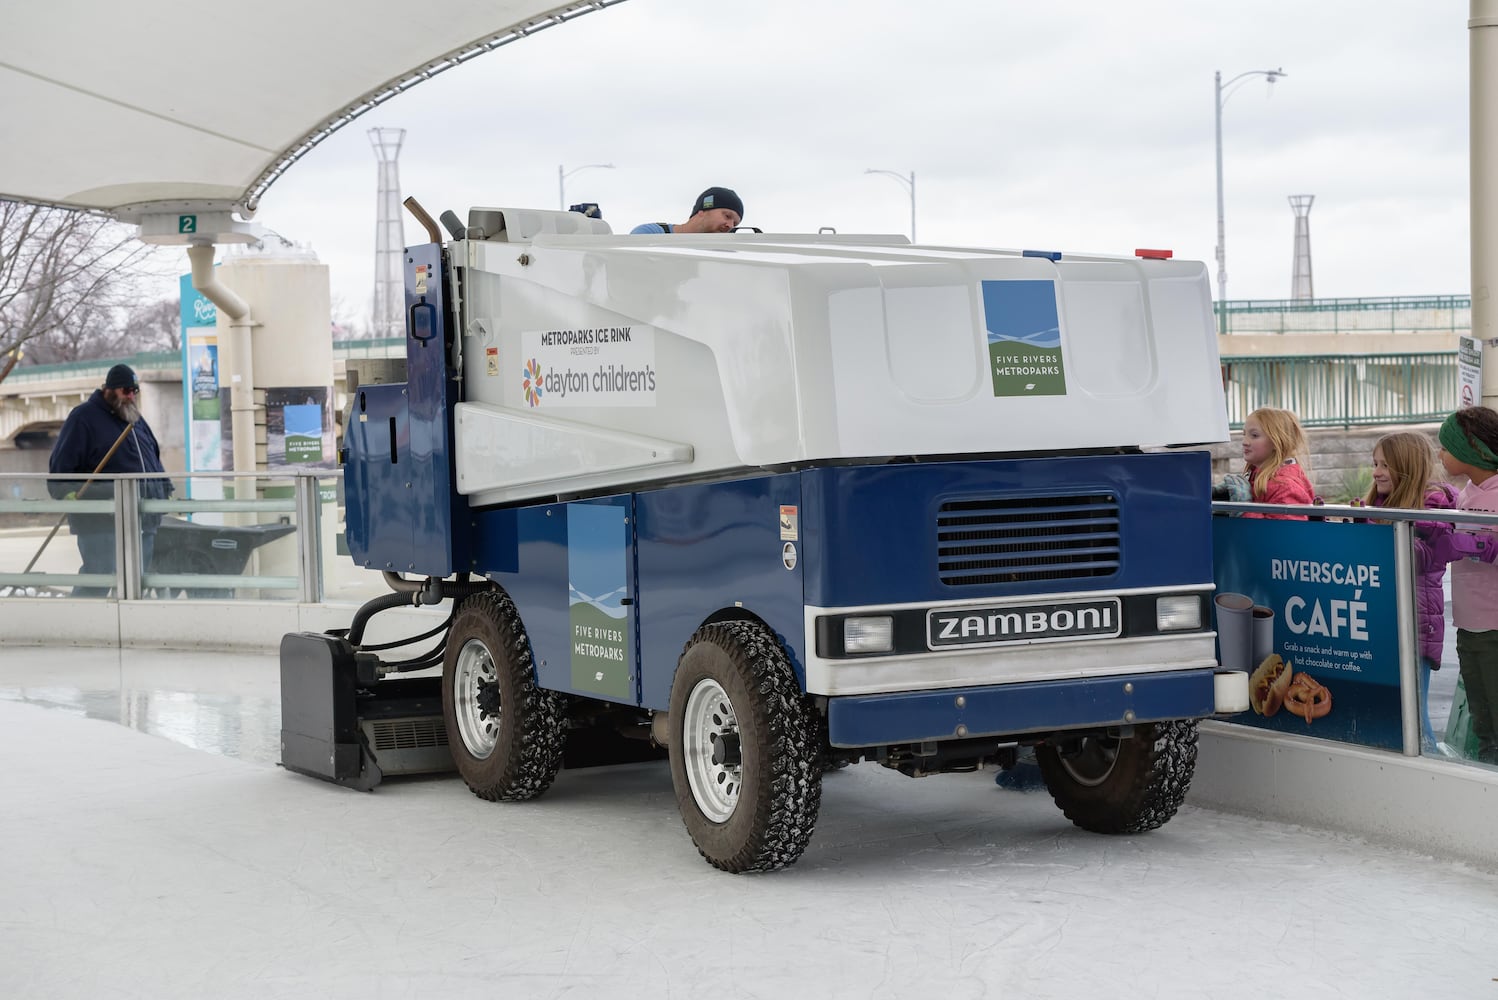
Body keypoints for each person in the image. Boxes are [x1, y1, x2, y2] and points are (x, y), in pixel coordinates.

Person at [1362, 431, 1460, 753]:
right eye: (1375, 464)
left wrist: (1377, 530)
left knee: (1413, 712)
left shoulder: (1432, 508)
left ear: (1407, 467)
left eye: (1385, 465)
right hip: (1385, 618)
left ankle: (1429, 761)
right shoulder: (1378, 505)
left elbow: (1420, 556)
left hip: (1417, 624)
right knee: (1390, 705)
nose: (1376, 472)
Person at [47, 364, 174, 597]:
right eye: (126, 390)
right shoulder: (83, 418)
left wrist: (163, 489)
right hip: (101, 520)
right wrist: (66, 492)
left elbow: (152, 459)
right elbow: (60, 468)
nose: (131, 395)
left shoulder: (135, 419)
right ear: (109, 389)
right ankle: (79, 625)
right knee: (99, 576)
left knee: (137, 579)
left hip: (142, 520)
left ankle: (128, 627)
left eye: (135, 390)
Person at [1437, 406, 1498, 764]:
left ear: (1472, 449)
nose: (1440, 454)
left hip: (1494, 624)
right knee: (1481, 710)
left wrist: (1481, 546)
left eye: (1445, 447)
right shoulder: (1467, 493)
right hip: (1468, 621)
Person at [1240, 407, 1316, 519]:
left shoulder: (1285, 486)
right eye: (1244, 434)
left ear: (1277, 442)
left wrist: (1242, 509)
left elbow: (1283, 533)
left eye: (1254, 435)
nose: (1244, 442)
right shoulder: (1258, 474)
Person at [630, 186, 744, 234]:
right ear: (702, 211)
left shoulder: (717, 258)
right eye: (727, 216)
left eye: (735, 223)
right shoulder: (649, 233)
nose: (730, 226)